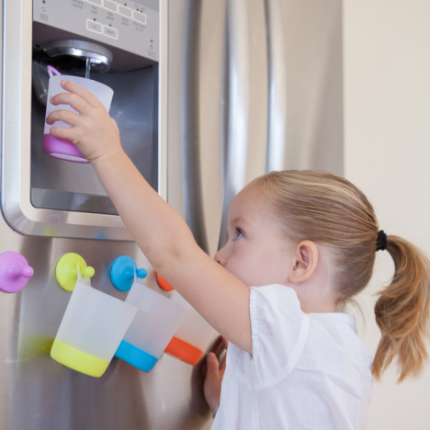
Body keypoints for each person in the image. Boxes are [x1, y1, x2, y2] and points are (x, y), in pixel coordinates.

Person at [46, 80, 430, 430]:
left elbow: (175, 254)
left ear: (301, 263)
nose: (218, 255)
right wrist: (232, 404)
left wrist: (107, 153)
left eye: (239, 234)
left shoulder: (286, 328)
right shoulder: (340, 351)